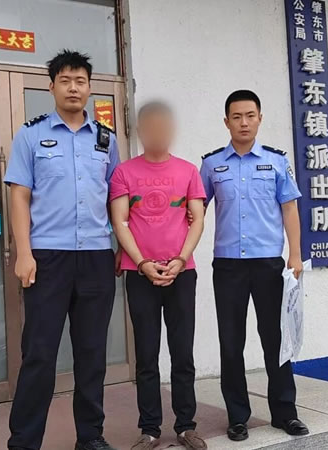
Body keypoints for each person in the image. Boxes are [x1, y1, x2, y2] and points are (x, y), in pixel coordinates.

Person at [4, 50, 120, 450]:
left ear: (90, 88)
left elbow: (116, 199)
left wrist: (121, 248)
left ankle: (90, 437)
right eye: (66, 81)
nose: (74, 88)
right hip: (47, 258)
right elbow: (19, 196)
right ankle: (24, 441)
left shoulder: (106, 139)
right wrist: (23, 253)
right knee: (39, 353)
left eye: (81, 81)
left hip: (96, 257)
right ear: (51, 86)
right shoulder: (31, 135)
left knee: (92, 354)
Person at [199, 90, 309, 442]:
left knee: (275, 339)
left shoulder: (276, 161)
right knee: (231, 342)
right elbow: (196, 211)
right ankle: (237, 416)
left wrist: (295, 255)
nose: (243, 122)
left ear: (260, 118)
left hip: (268, 265)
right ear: (226, 121)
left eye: (250, 115)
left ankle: (285, 412)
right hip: (228, 266)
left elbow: (289, 208)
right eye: (236, 116)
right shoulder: (212, 165)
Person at [110, 102, 207, 450]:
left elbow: (197, 219)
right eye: (149, 125)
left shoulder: (188, 171)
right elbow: (120, 221)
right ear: (139, 130)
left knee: (183, 353)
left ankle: (186, 426)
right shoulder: (123, 172)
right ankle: (150, 428)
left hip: (182, 273)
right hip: (140, 275)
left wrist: (180, 259)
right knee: (146, 355)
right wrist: (141, 263)